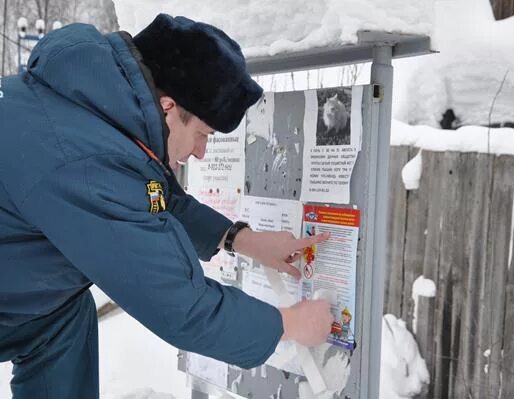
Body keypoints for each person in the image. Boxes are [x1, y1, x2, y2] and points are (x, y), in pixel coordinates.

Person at [0, 14, 334, 398]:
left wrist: (240, 239)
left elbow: (142, 196)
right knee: (62, 317)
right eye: (202, 134)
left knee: (62, 317)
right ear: (168, 106)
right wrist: (288, 324)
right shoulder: (83, 162)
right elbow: (183, 309)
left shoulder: (84, 111)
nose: (201, 152)